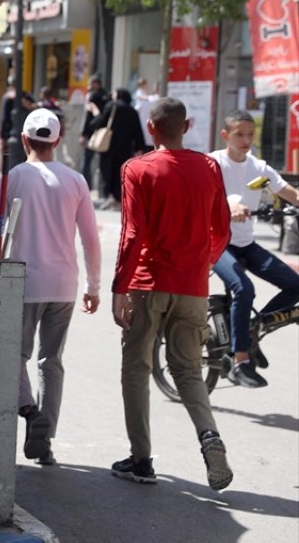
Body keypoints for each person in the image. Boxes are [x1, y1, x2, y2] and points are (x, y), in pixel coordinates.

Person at [111, 97, 233, 491]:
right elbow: (222, 230)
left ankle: (142, 459)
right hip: (193, 286)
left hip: (149, 284)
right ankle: (209, 437)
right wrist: (202, 264)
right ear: (187, 125)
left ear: (151, 128)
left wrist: (120, 287)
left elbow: (133, 234)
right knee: (188, 371)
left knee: (137, 368)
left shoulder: (137, 169)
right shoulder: (209, 167)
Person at [0, 109, 101, 466]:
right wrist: (94, 285)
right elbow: (91, 238)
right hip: (64, 284)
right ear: (57, 142)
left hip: (22, 283)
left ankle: (30, 413)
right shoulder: (76, 180)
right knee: (52, 361)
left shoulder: (14, 177)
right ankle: (44, 441)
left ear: (25, 140)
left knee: (12, 354)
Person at [208, 111, 299, 388]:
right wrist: (228, 206)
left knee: (295, 285)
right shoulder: (212, 163)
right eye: (239, 134)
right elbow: (197, 198)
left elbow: (289, 193)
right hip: (217, 243)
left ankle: (251, 329)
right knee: (244, 288)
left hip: (246, 243)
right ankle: (240, 360)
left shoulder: (258, 168)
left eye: (250, 134)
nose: (246, 140)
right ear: (226, 135)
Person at [91, 89, 144, 210]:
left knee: (107, 170)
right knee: (121, 172)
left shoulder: (111, 106)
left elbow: (101, 122)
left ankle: (108, 196)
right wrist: (139, 147)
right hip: (125, 148)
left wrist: (95, 114)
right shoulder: (132, 111)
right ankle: (117, 198)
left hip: (108, 146)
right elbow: (138, 131)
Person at [79, 74, 108, 190]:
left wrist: (83, 133)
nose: (88, 87)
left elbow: (87, 117)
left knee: (86, 160)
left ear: (95, 84)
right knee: (102, 162)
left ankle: (86, 186)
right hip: (103, 133)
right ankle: (101, 189)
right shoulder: (106, 96)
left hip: (91, 133)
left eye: (90, 84)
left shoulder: (92, 96)